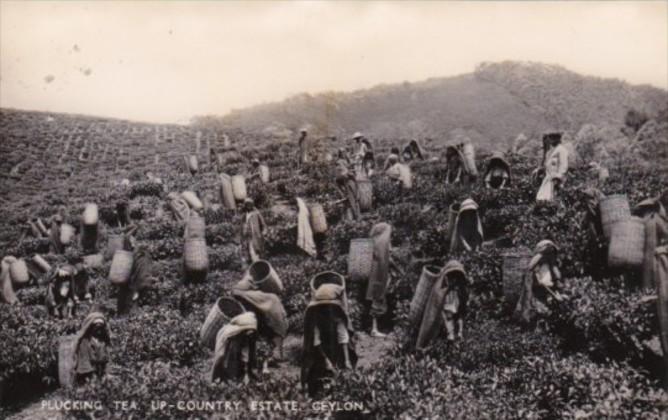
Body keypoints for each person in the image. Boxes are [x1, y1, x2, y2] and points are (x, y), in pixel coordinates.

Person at [301, 283, 357, 396]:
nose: (326, 309)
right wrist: (327, 361)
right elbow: (316, 342)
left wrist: (346, 361)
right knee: (314, 368)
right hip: (320, 348)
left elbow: (343, 338)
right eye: (324, 307)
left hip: (336, 345)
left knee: (342, 369)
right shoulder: (315, 316)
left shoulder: (337, 316)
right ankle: (313, 392)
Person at [232, 273, 288, 374]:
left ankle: (260, 364)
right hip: (262, 321)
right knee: (261, 341)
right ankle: (259, 364)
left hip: (264, 320)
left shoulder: (249, 295)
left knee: (260, 341)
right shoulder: (262, 295)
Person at [514, 240, 564, 326]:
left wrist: (557, 287)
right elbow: (535, 276)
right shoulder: (537, 263)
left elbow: (556, 276)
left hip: (548, 287)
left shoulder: (551, 263)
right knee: (540, 309)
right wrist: (538, 279)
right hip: (540, 289)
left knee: (548, 307)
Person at [366, 223, 402, 338]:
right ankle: (374, 329)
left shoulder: (375, 242)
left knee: (379, 297)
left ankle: (376, 327)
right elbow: (388, 259)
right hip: (380, 275)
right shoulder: (382, 244)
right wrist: (399, 269)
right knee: (378, 298)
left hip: (377, 274)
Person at [210, 311, 258, 385]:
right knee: (221, 356)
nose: (251, 335)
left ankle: (232, 375)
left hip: (237, 337)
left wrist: (248, 373)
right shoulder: (229, 333)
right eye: (249, 333)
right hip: (224, 336)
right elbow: (220, 355)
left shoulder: (249, 333)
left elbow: (247, 355)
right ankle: (213, 378)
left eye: (252, 333)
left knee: (236, 356)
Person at [636, 193, 668, 290]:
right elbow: (666, 233)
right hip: (654, 252)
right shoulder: (656, 218)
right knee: (656, 277)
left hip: (643, 255)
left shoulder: (642, 220)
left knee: (646, 280)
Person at [73, 312, 111, 384]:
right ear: (90, 327)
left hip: (100, 373)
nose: (98, 330)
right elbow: (84, 362)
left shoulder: (103, 341)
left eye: (101, 327)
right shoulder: (84, 342)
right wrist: (92, 377)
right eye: (96, 327)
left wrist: (106, 373)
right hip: (87, 375)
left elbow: (107, 360)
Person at [441, 260, 470, 342]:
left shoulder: (455, 286)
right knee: (459, 315)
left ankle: (452, 333)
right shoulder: (460, 285)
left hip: (454, 299)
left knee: (449, 315)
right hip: (457, 299)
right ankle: (458, 333)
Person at [535, 132, 569, 202]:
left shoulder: (561, 150)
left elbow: (563, 165)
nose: (551, 140)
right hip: (548, 178)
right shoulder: (551, 151)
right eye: (550, 137)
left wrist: (558, 177)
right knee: (542, 199)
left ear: (558, 139)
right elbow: (546, 164)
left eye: (553, 138)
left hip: (555, 179)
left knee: (551, 199)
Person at [335, 150, 361, 221]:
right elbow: (343, 174)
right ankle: (356, 217)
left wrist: (351, 170)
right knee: (352, 200)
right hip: (347, 182)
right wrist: (349, 173)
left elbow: (348, 168)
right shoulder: (340, 162)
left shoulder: (344, 161)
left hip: (351, 181)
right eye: (343, 153)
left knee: (356, 199)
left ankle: (357, 216)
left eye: (345, 153)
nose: (344, 154)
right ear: (341, 154)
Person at [240, 199, 267, 266]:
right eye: (247, 205)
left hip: (256, 235)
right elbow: (242, 225)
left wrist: (264, 232)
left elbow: (263, 224)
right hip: (247, 236)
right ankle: (252, 265)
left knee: (256, 251)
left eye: (250, 205)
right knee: (248, 251)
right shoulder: (244, 215)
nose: (248, 206)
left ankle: (258, 265)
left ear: (252, 205)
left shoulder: (256, 213)